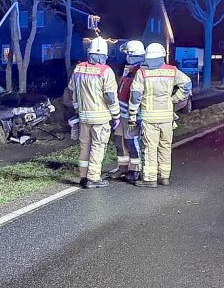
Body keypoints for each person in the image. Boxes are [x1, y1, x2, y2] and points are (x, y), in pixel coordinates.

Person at [128, 43, 192, 188]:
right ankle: (164, 176)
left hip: (149, 117)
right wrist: (174, 99)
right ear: (162, 55)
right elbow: (187, 84)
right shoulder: (172, 71)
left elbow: (136, 96)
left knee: (150, 147)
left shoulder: (142, 73)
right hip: (167, 117)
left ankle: (150, 178)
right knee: (165, 146)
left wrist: (132, 115)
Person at [66, 37, 120, 189]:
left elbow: (72, 91)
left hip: (83, 116)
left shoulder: (79, 68)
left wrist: (77, 108)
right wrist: (115, 115)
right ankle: (94, 178)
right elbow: (110, 96)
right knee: (98, 146)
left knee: (84, 146)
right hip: (100, 117)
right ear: (104, 54)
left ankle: (83, 177)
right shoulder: (106, 71)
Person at [109, 40, 146, 183]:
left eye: (128, 54)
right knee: (119, 141)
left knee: (131, 142)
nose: (126, 57)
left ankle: (135, 169)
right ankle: (123, 167)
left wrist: (134, 115)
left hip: (132, 115)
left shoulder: (141, 71)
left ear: (133, 55)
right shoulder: (129, 69)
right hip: (121, 113)